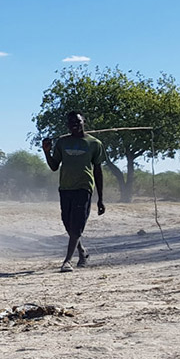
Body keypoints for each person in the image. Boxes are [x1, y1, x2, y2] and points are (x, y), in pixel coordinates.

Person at [42, 112, 105, 272]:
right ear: (67, 126)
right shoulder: (62, 143)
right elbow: (54, 166)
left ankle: (67, 261)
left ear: (84, 121)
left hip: (83, 188)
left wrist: (100, 198)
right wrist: (47, 152)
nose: (74, 125)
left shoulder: (94, 143)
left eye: (77, 121)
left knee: (77, 225)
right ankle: (82, 251)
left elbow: (98, 171)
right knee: (68, 223)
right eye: (70, 123)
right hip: (65, 188)